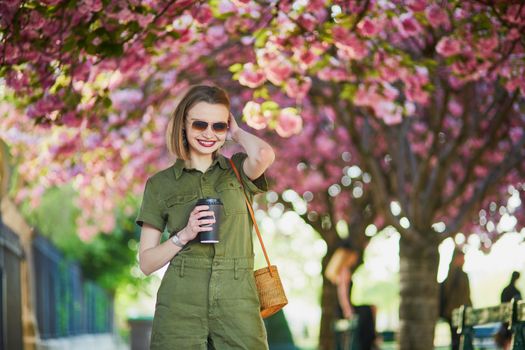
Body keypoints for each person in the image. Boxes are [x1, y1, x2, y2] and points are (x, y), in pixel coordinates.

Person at [135, 85, 275, 350]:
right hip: (181, 298)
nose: (209, 134)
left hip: (238, 297)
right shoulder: (160, 185)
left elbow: (265, 155)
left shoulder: (238, 171)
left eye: (218, 126)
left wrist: (236, 132)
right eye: (200, 124)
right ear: (183, 125)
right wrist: (184, 234)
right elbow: (146, 263)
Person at [325, 239, 377, 350]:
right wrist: (348, 311)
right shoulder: (344, 271)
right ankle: (371, 343)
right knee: (370, 309)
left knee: (368, 310)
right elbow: (342, 294)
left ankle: (371, 342)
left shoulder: (335, 273)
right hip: (344, 309)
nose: (356, 257)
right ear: (348, 256)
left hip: (338, 310)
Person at [440, 248, 472, 350]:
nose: (463, 260)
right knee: (456, 340)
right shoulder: (453, 273)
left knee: (462, 339)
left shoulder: (463, 275)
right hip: (453, 312)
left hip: (463, 312)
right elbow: (448, 289)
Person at [495, 271, 522, 349]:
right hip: (513, 320)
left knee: (506, 339)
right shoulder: (516, 292)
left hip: (505, 319)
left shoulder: (505, 290)